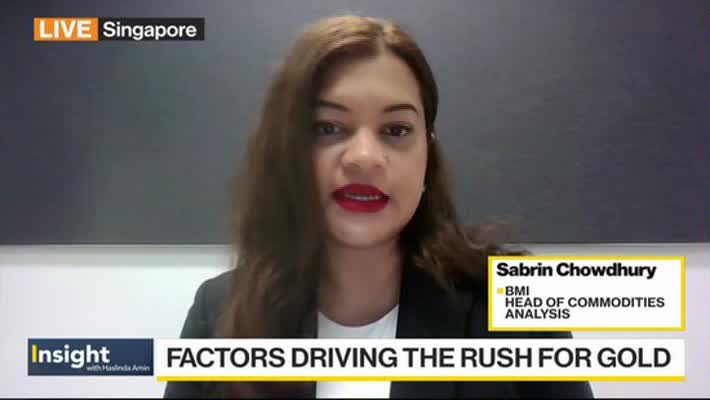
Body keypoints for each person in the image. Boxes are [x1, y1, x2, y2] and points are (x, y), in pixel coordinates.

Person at [164, 15, 594, 399]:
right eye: (328, 127)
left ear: (427, 157)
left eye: (396, 130)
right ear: (286, 152)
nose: (365, 158)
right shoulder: (218, 314)